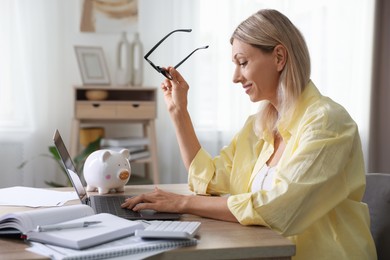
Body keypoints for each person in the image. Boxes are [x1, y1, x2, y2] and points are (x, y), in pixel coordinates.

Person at [122, 9, 377, 259]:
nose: (235, 77)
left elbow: (277, 208)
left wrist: (181, 203)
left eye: (243, 63)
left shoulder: (327, 122)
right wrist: (179, 111)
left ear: (279, 57)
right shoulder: (257, 126)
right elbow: (208, 180)